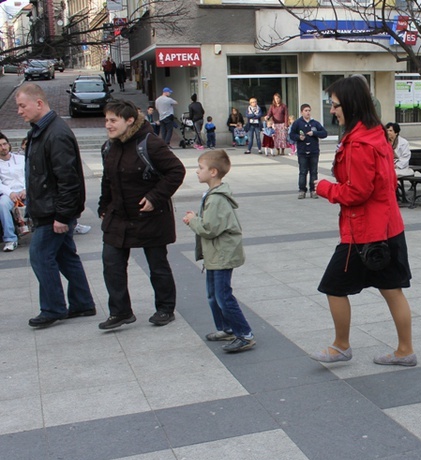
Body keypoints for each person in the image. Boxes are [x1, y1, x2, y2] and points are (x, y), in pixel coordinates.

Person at [312, 75, 416, 367]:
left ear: (350, 105)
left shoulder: (359, 143)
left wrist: (325, 188)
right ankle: (405, 350)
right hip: (386, 226)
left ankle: (341, 345)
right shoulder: (375, 134)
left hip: (364, 231)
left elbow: (357, 191)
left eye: (334, 105)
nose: (332, 110)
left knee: (333, 285)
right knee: (392, 289)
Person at [98, 100, 186, 330]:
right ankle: (120, 312)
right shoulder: (109, 146)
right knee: (112, 263)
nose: (108, 125)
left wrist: (155, 197)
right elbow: (107, 179)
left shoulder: (150, 143)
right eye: (106, 120)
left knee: (157, 265)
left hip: (150, 215)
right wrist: (103, 206)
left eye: (113, 120)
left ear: (129, 121)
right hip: (119, 215)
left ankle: (165, 308)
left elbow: (176, 171)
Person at [15, 83, 96, 328]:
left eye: (22, 105)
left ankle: (53, 308)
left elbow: (68, 180)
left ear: (39, 103)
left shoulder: (55, 133)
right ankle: (82, 303)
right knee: (65, 256)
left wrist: (62, 215)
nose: (19, 111)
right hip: (48, 209)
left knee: (40, 256)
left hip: (54, 213)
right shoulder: (41, 130)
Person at [183, 150, 256, 353]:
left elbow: (209, 229)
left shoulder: (216, 199)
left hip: (222, 255)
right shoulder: (212, 195)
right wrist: (198, 218)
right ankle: (226, 328)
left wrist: (192, 220)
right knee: (213, 295)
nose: (197, 172)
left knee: (223, 296)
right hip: (215, 254)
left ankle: (244, 334)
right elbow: (212, 223)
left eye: (200, 168)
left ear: (213, 172)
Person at [289, 103, 328, 199]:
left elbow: (324, 133)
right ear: (302, 112)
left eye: (309, 110)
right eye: (306, 111)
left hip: (314, 151)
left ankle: (313, 190)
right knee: (303, 171)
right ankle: (302, 190)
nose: (308, 112)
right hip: (302, 151)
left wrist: (314, 133)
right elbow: (291, 134)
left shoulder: (315, 123)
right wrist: (299, 137)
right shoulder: (297, 123)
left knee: (314, 171)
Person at [0, 133, 25, 252]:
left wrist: (26, 189)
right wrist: (10, 193)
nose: (3, 147)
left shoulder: (21, 159)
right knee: (3, 204)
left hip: (25, 190)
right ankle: (10, 239)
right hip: (8, 193)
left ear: (9, 145)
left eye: (5, 144)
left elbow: (30, 175)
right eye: (0, 145)